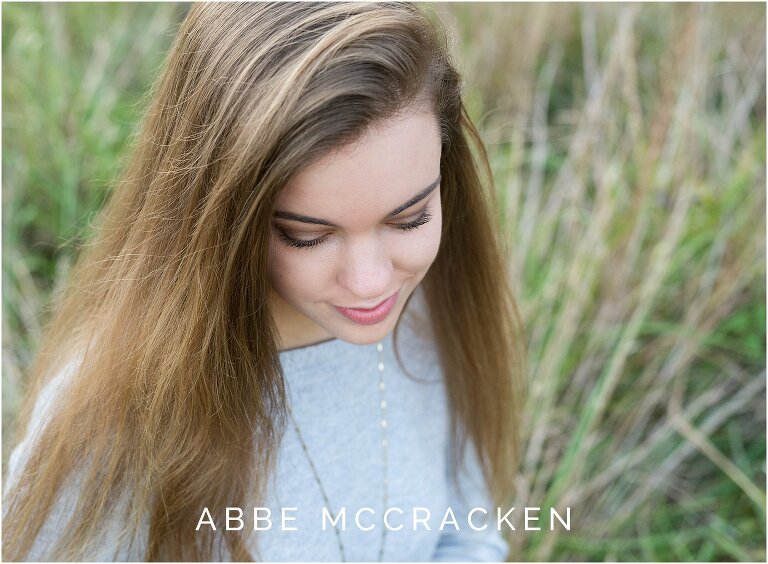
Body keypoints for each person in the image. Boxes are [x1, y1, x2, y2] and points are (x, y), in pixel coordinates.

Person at [2, 2, 526, 561]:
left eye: (409, 219)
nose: (371, 282)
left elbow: (468, 533)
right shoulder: (115, 418)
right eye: (308, 236)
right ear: (219, 222)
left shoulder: (432, 315)